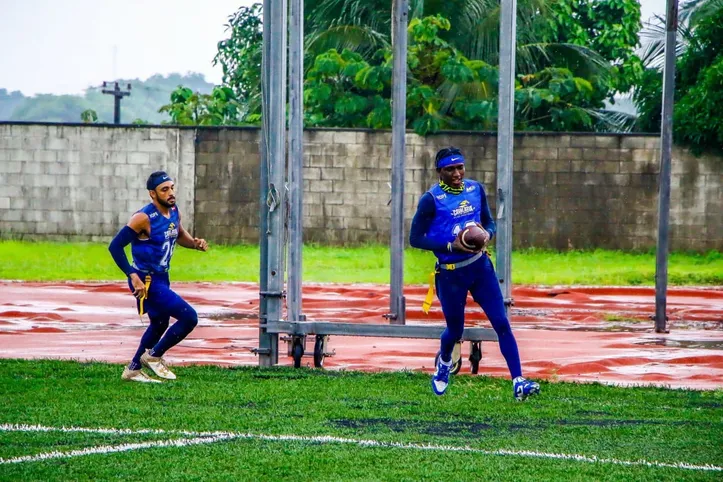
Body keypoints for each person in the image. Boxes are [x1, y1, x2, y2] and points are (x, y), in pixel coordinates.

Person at [409, 147, 540, 400]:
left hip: (480, 267)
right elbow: (415, 238)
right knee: (455, 331)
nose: (457, 173)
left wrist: (486, 236)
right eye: (450, 169)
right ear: (439, 172)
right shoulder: (431, 199)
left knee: (501, 323)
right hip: (450, 274)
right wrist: (450, 245)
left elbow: (489, 223)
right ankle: (444, 363)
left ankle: (518, 381)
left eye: (460, 167)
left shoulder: (475, 189)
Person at [108, 171, 208, 383]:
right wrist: (132, 275)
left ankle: (133, 369)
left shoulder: (173, 212)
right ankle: (154, 355)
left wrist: (194, 244)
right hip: (146, 281)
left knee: (160, 323)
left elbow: (179, 234)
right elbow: (115, 246)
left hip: (162, 277)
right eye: (165, 189)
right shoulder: (142, 218)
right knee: (189, 317)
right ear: (152, 194)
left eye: (172, 188)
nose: (171, 193)